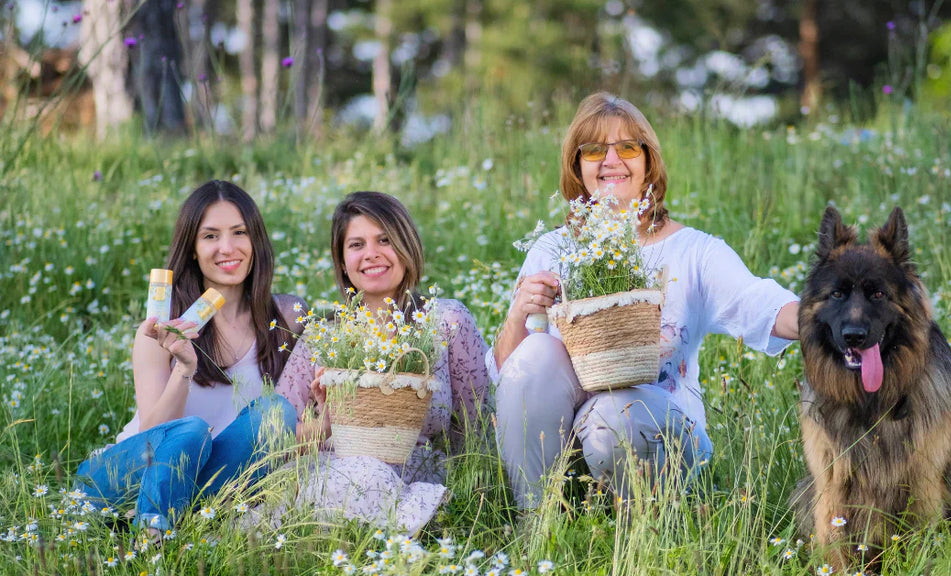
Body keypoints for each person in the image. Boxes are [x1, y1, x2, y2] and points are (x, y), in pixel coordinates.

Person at [490, 92, 800, 510]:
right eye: (594, 149)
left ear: (648, 163)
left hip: (661, 442)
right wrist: (518, 314)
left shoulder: (695, 252)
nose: (611, 160)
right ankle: (537, 522)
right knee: (538, 350)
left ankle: (645, 535)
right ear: (577, 167)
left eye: (628, 147)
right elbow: (510, 381)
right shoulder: (553, 250)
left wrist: (826, 317)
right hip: (568, 450)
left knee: (614, 413)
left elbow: (758, 302)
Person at [73, 180, 303, 537]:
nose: (227, 247)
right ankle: (154, 539)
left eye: (239, 232)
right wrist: (185, 367)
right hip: (127, 474)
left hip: (214, 480)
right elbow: (154, 436)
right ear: (192, 249)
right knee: (191, 432)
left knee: (277, 413)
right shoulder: (161, 328)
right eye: (210, 236)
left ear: (255, 241)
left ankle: (175, 523)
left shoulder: (286, 316)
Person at [274, 191, 490, 532]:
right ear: (343, 262)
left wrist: (476, 497)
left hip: (419, 476)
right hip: (336, 473)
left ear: (407, 248)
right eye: (356, 245)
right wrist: (327, 420)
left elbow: (474, 428)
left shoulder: (446, 321)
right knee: (359, 477)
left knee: (380, 482)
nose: (371, 254)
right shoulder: (323, 336)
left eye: (385, 240)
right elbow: (278, 438)